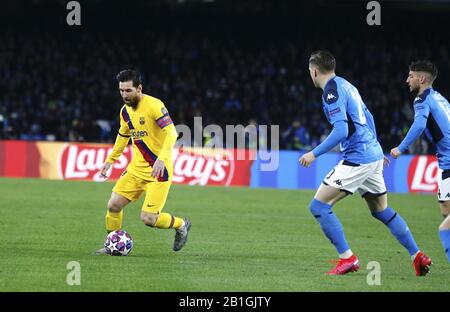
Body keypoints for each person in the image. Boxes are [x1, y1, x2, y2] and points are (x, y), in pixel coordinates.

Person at [299, 51, 431, 275]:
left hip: (358, 158)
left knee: (319, 206)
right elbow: (368, 117)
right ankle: (417, 255)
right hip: (372, 154)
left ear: (313, 71)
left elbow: (340, 130)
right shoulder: (347, 85)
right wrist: (378, 148)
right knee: (381, 210)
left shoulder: (331, 92)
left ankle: (347, 259)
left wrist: (314, 153)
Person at [93, 69, 191, 255]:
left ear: (139, 89)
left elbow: (171, 133)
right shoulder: (125, 112)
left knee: (148, 219)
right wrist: (110, 160)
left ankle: (181, 224)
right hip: (136, 170)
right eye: (121, 90)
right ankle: (112, 244)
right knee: (113, 205)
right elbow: (123, 136)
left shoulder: (154, 105)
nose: (124, 95)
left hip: (158, 172)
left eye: (128, 90)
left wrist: (162, 159)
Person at [391, 60, 450, 263]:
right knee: (445, 209)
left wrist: (400, 148)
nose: (407, 80)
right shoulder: (440, 97)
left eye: (411, 76)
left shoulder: (422, 98)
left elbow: (418, 125)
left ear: (422, 79)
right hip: (446, 163)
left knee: (446, 225)